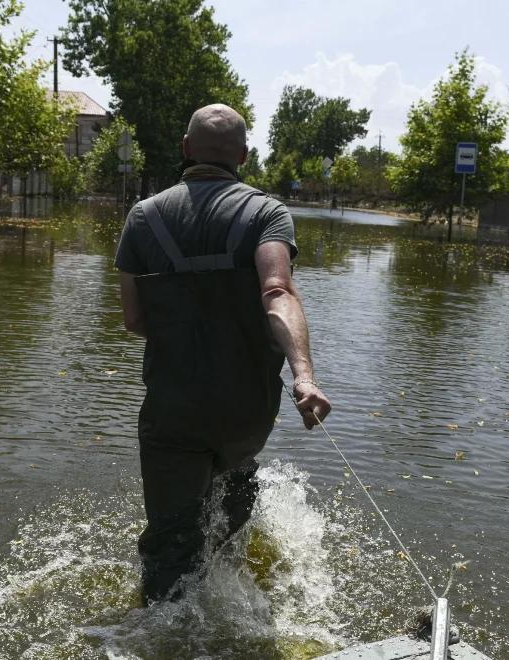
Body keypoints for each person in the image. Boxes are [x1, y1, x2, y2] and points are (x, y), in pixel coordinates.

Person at [115, 103, 332, 604]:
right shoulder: (267, 214)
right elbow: (277, 292)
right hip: (246, 412)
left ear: (186, 149)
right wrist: (304, 376)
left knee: (171, 545)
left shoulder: (143, 218)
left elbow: (134, 320)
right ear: (245, 155)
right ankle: (231, 577)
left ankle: (165, 629)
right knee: (230, 488)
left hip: (174, 411)